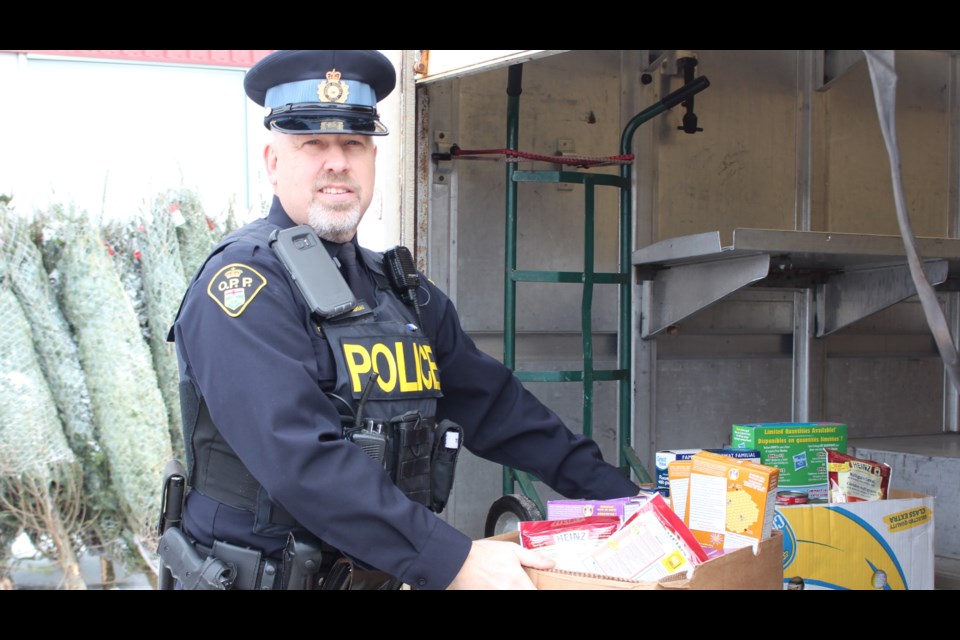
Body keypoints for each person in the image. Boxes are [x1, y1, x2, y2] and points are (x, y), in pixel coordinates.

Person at [169, 49, 640, 590]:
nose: (336, 162)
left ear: (371, 158)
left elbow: (497, 409)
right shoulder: (243, 287)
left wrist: (622, 500)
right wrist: (453, 559)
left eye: (352, 143)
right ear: (274, 162)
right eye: (312, 145)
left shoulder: (401, 294)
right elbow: (300, 461)